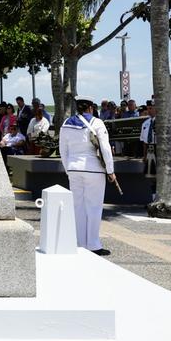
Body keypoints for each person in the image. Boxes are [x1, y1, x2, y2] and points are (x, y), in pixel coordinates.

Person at [58, 97, 115, 255]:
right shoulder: (97, 123)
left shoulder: (66, 124)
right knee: (94, 207)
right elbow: (105, 148)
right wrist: (110, 170)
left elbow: (63, 150)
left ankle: (79, 242)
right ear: (90, 108)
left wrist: (68, 169)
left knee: (78, 207)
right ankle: (93, 244)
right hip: (93, 169)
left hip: (74, 169)